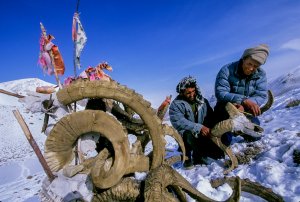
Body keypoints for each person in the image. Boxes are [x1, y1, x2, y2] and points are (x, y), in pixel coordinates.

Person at [214, 44, 269, 143]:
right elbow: (221, 93)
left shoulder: (261, 75)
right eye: (249, 64)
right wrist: (243, 101)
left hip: (245, 110)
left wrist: (246, 105)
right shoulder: (226, 70)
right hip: (224, 108)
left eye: (256, 66)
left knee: (255, 136)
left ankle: (241, 131)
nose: (251, 68)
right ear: (243, 59)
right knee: (224, 140)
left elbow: (261, 95)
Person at [169, 76, 224, 169]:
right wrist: (199, 127)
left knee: (219, 155)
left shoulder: (202, 101)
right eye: (188, 93)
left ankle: (201, 153)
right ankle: (187, 156)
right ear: (182, 93)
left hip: (203, 133)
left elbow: (210, 116)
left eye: (193, 91)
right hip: (188, 134)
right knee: (187, 134)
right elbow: (178, 121)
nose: (192, 95)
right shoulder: (176, 105)